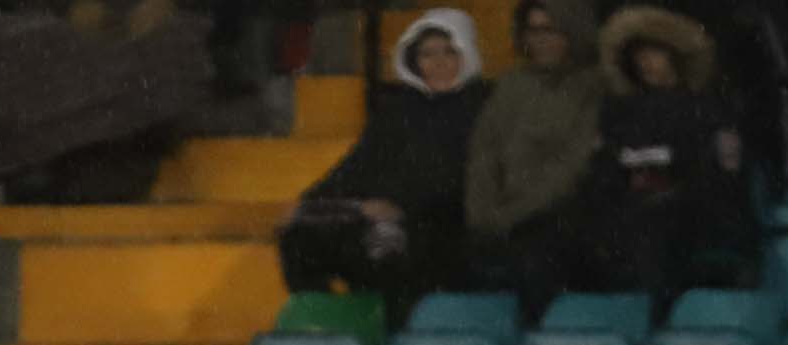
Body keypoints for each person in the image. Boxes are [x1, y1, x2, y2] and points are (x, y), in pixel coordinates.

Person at [276, 8, 490, 315]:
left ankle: (395, 341)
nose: (439, 63)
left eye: (449, 52)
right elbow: (355, 167)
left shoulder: (483, 109)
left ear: (466, 54)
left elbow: (463, 179)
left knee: (390, 251)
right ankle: (331, 329)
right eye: (428, 54)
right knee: (298, 237)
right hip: (379, 220)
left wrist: (399, 206)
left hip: (444, 227)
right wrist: (308, 204)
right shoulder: (398, 111)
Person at [583, 6, 757, 303]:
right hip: (630, 216)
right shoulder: (619, 113)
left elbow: (723, 179)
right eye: (640, 55)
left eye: (655, 53)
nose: (646, 63)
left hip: (695, 220)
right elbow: (604, 170)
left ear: (675, 54)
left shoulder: (708, 109)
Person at [464, 0, 602, 314]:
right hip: (497, 221)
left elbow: (572, 166)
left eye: (551, 30)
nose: (541, 39)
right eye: (534, 30)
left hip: (558, 220)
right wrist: (482, 215)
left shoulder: (594, 86)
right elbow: (484, 153)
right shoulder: (511, 84)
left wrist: (510, 216)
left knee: (536, 264)